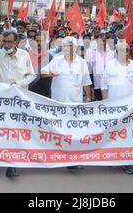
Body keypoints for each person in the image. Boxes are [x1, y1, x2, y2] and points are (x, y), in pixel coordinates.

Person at [0, 30, 36, 178]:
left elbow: (31, 74)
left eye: (9, 42)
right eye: (4, 42)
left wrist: (19, 83)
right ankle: (6, 160)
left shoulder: (24, 55)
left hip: (19, 99)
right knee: (4, 130)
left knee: (16, 130)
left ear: (16, 42)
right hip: (2, 100)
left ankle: (12, 164)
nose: (6, 45)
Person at [41, 36, 92, 171]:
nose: (67, 48)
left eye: (70, 46)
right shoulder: (57, 60)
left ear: (75, 47)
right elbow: (42, 72)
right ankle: (57, 156)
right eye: (64, 46)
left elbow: (86, 83)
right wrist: (49, 74)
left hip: (75, 105)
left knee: (73, 132)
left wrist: (88, 98)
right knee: (59, 131)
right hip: (58, 105)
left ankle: (72, 159)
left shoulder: (82, 63)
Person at [101, 41, 133, 175]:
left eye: (126, 50)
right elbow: (104, 85)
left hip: (130, 107)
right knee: (114, 133)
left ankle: (127, 162)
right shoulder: (110, 65)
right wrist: (105, 103)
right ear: (116, 52)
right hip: (113, 106)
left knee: (128, 133)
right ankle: (113, 158)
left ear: (129, 52)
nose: (123, 52)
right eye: (121, 50)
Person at [85, 32, 114, 101]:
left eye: (104, 40)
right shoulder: (90, 52)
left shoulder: (111, 52)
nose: (102, 43)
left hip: (109, 84)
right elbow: (88, 71)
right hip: (96, 85)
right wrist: (91, 87)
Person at [29, 32, 52, 98]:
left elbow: (52, 76)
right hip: (29, 91)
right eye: (37, 41)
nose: (38, 43)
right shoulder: (27, 55)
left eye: (41, 41)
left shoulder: (50, 57)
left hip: (44, 92)